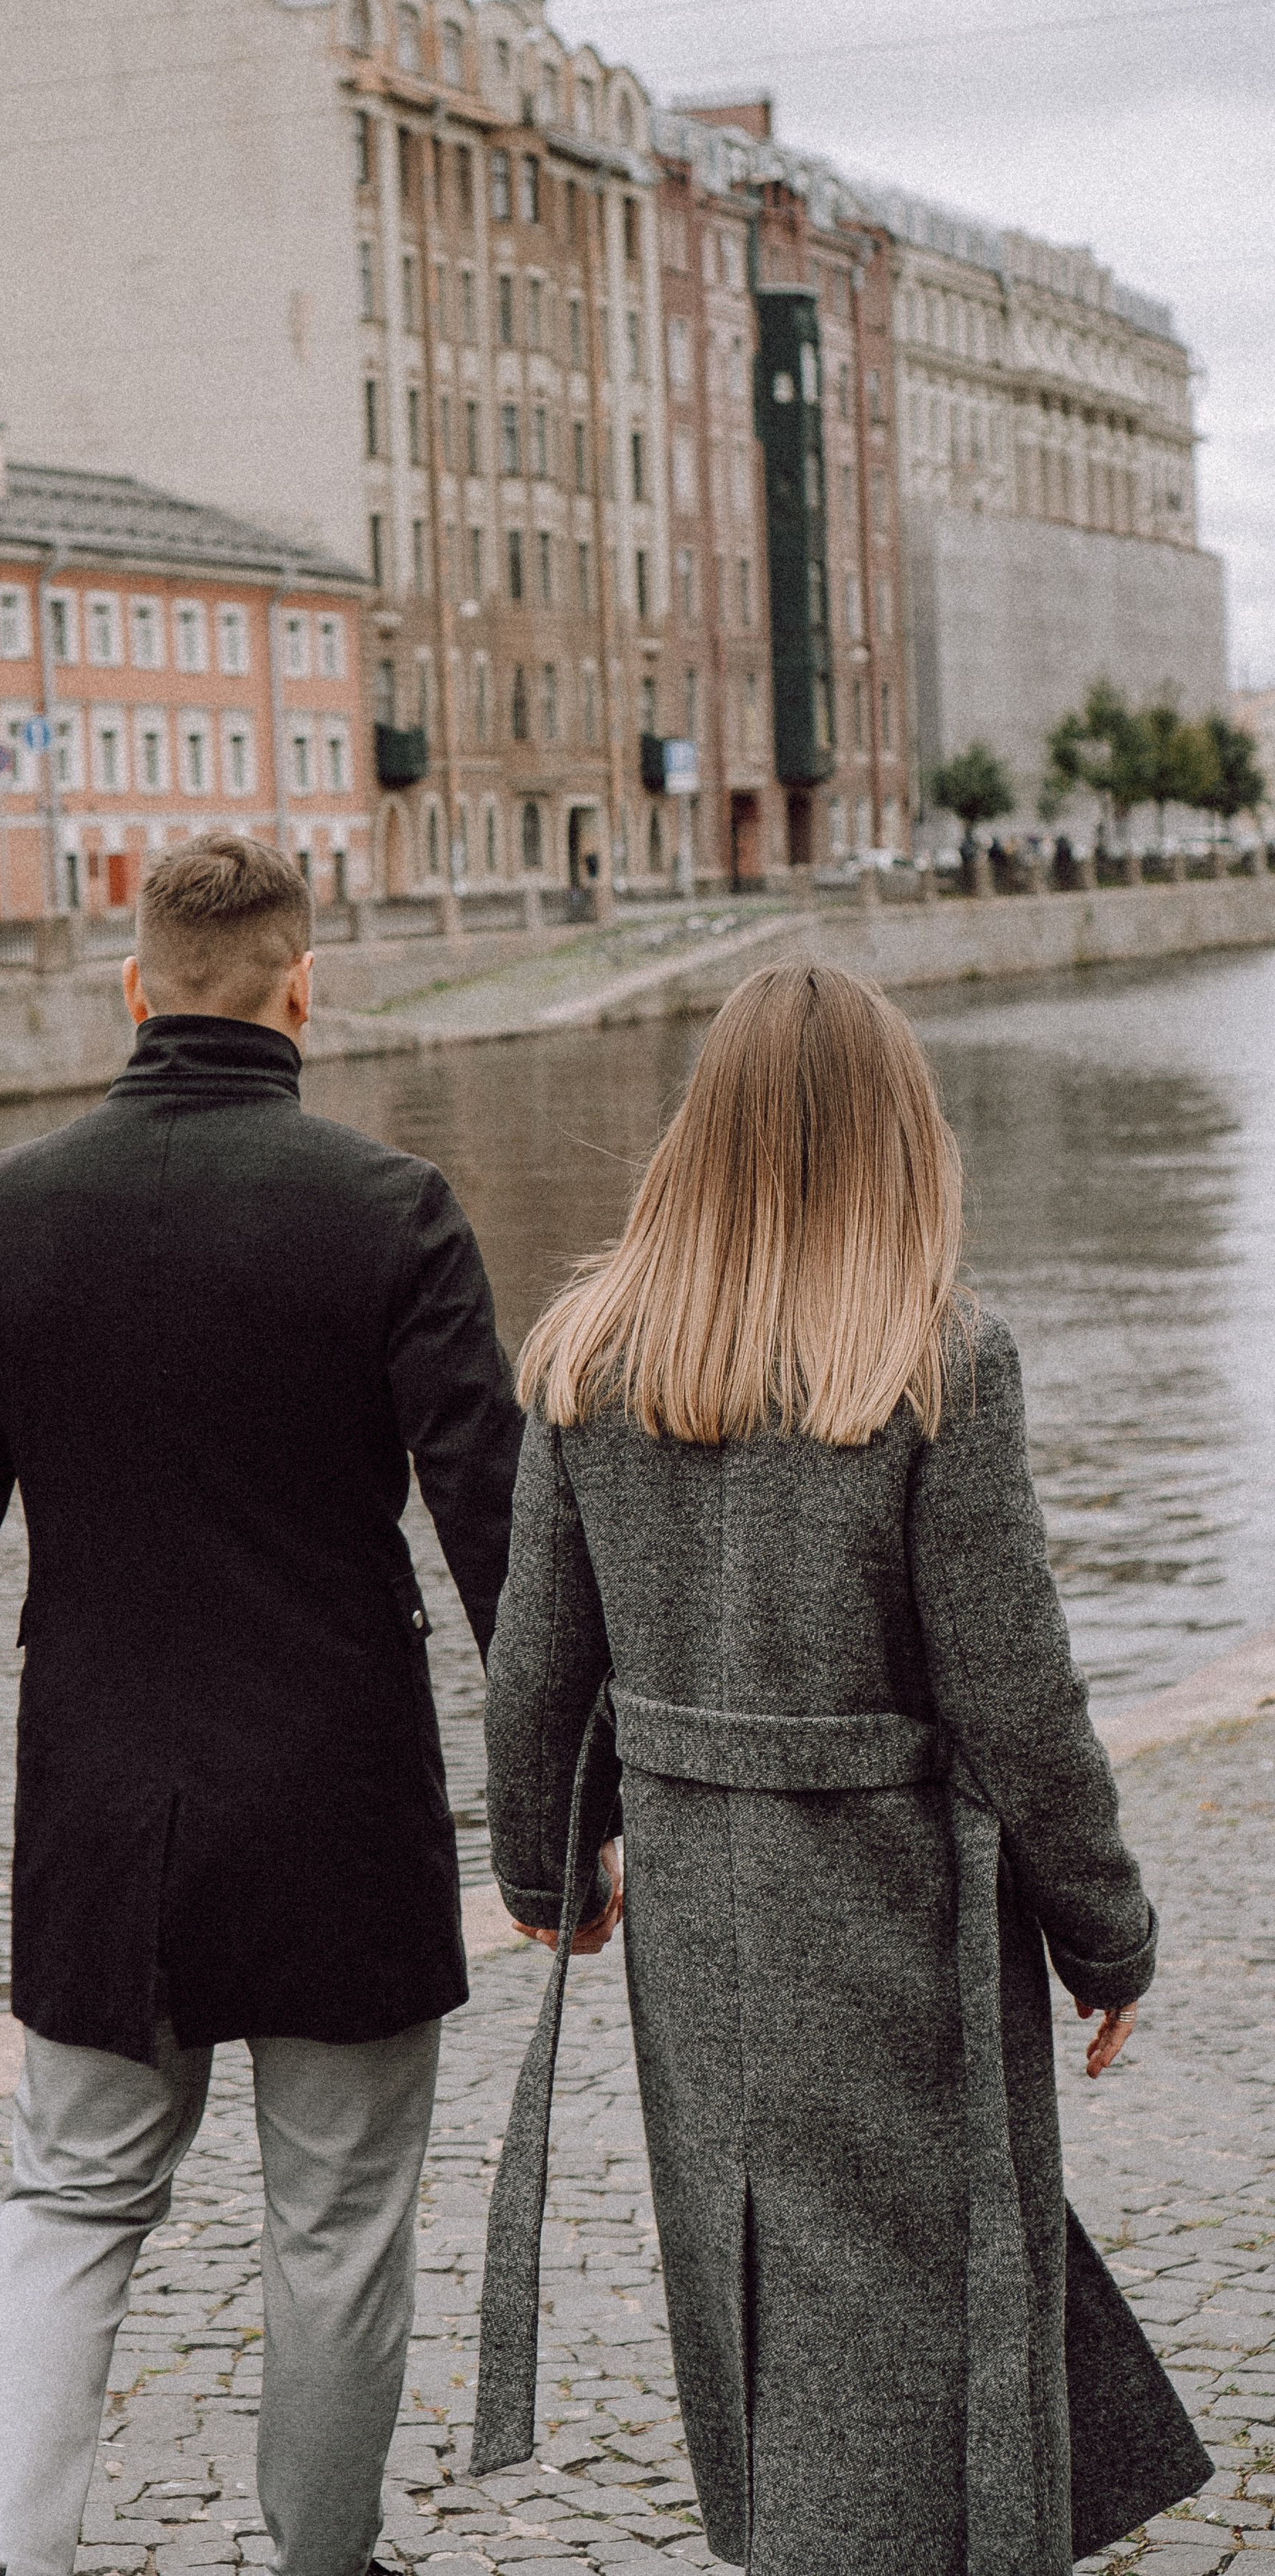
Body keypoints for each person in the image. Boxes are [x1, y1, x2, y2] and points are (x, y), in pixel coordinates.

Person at [475, 963, 1208, 2575]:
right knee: (921, 2282)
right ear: (898, 1134)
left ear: (700, 1133)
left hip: (697, 1931)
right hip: (894, 1918)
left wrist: (548, 1869)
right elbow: (1018, 1700)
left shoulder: (584, 1359)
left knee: (757, 2279)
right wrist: (1107, 1939)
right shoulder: (938, 1362)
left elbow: (533, 1670)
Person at [0, 832, 523, 2576]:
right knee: (336, 2224)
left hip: (103, 1804)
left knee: (68, 2199)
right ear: (306, 987)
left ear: (133, 989)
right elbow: (496, 1532)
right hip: (339, 1801)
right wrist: (564, 1807)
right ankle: (319, 2562)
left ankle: (13, 2564)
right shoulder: (392, 1211)